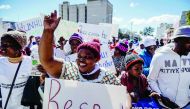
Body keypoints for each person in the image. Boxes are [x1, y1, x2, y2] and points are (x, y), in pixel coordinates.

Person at [39, 10, 131, 108]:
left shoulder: (108, 77)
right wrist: (48, 32)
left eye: (87, 57)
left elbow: (124, 93)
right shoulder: (68, 69)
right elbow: (47, 61)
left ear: (96, 59)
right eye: (79, 57)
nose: (81, 60)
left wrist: (126, 105)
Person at [147, 26, 190, 109]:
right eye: (188, 42)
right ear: (177, 40)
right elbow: (151, 79)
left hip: (186, 104)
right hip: (164, 105)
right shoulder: (159, 56)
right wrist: (161, 96)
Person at [0, 31, 31, 109]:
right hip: (6, 106)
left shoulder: (31, 61)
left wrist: (42, 75)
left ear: (18, 47)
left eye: (6, 45)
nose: (2, 47)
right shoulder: (0, 62)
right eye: (1, 44)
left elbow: (37, 83)